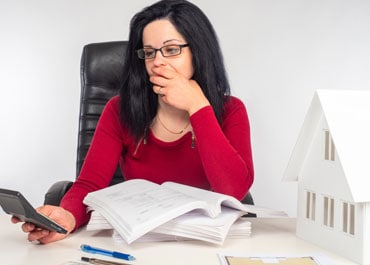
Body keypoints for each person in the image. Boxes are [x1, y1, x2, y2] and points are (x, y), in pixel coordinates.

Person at [12, 0, 254, 244]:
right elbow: (90, 182)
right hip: (138, 241)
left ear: (199, 52)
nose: (157, 62)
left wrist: (197, 106)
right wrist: (66, 217)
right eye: (149, 52)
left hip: (202, 242)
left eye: (171, 50)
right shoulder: (119, 109)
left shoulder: (231, 110)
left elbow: (234, 192)